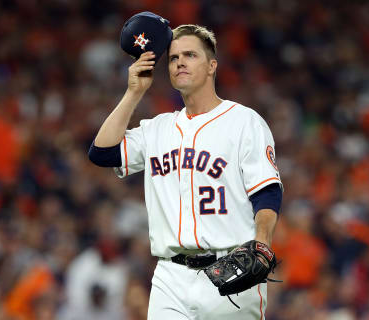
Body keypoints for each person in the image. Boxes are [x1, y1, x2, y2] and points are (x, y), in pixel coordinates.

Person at [89, 24, 283, 320]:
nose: (179, 61)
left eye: (190, 55)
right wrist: (133, 92)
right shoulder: (157, 129)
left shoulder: (244, 122)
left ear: (211, 66)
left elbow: (266, 192)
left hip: (232, 269)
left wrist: (262, 245)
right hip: (170, 275)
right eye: (174, 57)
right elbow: (102, 153)